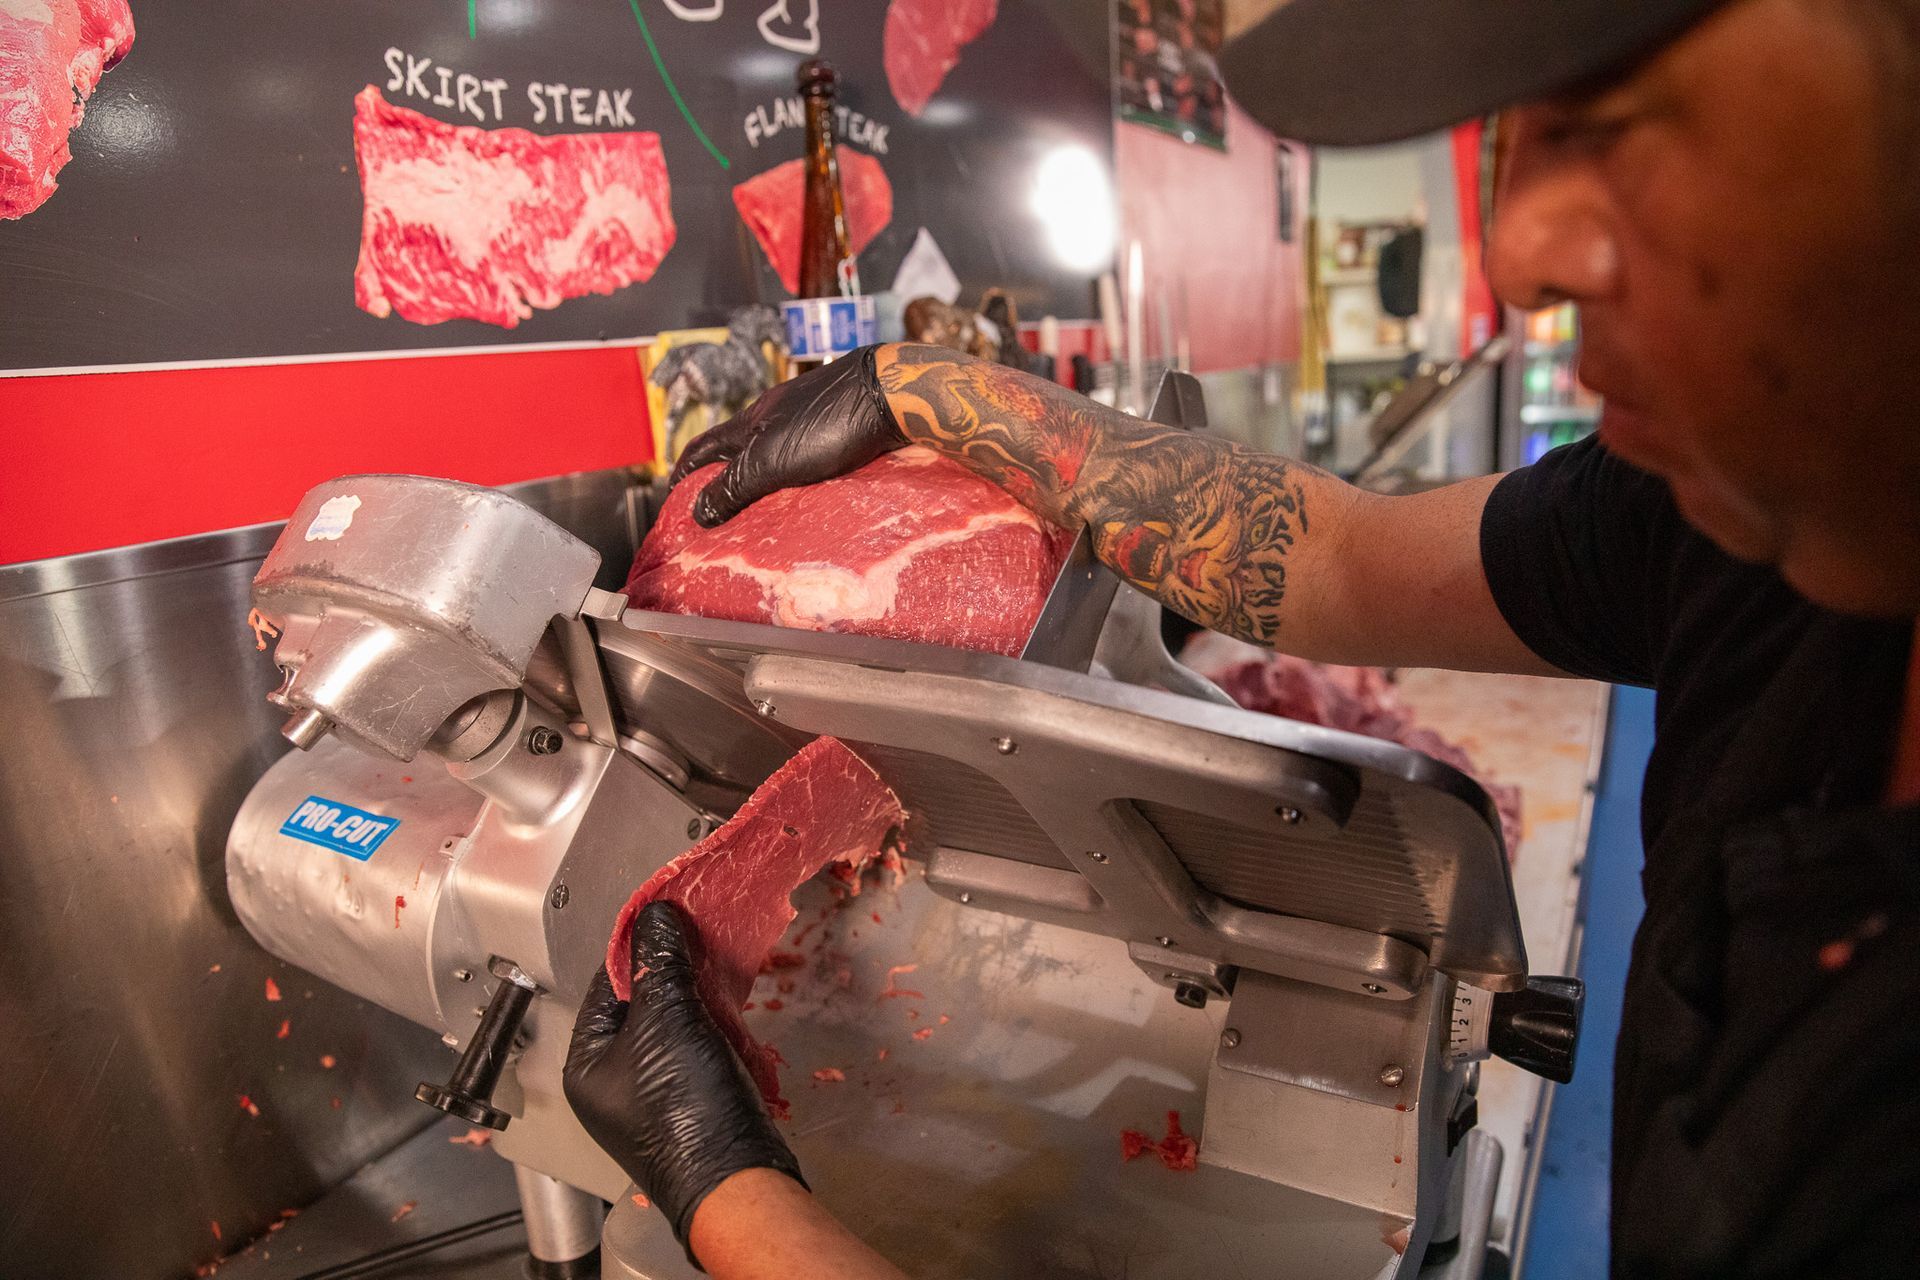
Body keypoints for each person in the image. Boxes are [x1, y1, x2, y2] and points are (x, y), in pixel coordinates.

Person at [563, 0, 1920, 1273]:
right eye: (1522, 134)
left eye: (1612, 112)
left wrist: (732, 1203)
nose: (1520, 257)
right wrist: (927, 392)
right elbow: (1332, 556)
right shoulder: (1733, 524)